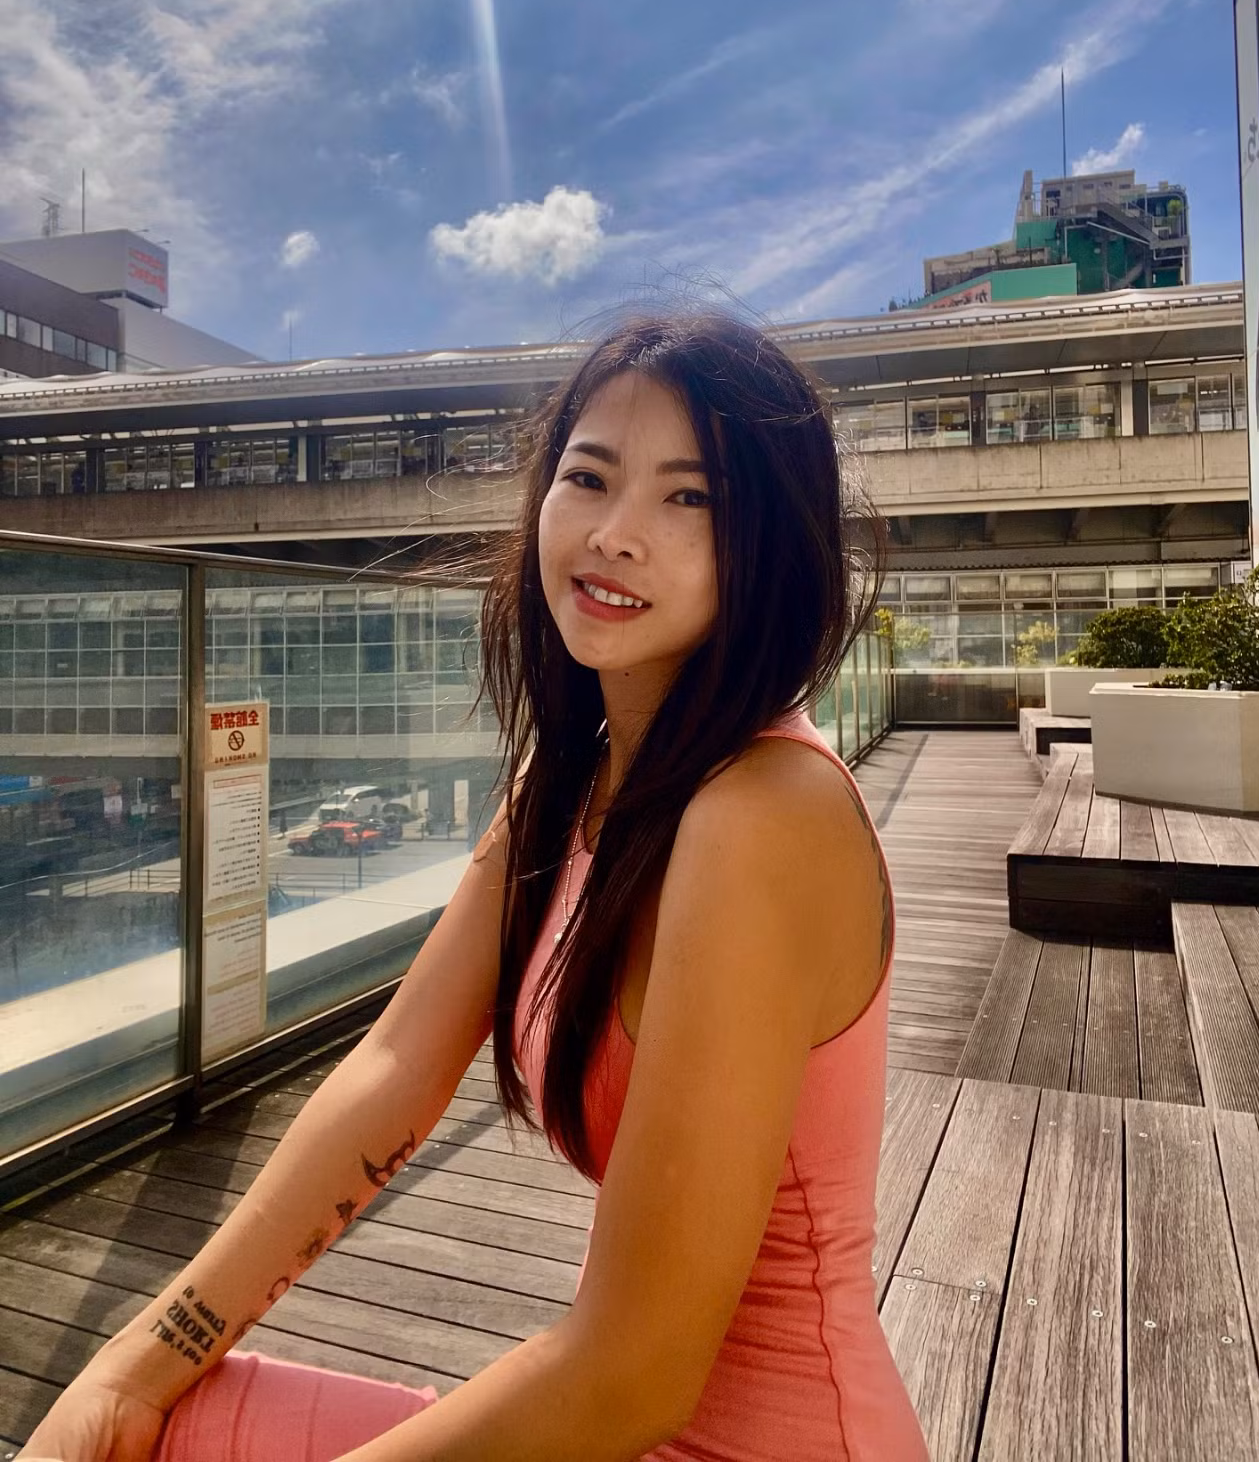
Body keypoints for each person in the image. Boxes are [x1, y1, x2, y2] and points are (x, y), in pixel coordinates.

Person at [20, 305, 927, 1462]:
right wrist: (133, 1365)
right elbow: (392, 1075)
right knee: (145, 1428)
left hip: (756, 1440)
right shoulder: (574, 781)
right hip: (611, 1422)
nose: (616, 534)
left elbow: (635, 1376)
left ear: (773, 546)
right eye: (589, 478)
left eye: (690, 499)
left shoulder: (764, 816)